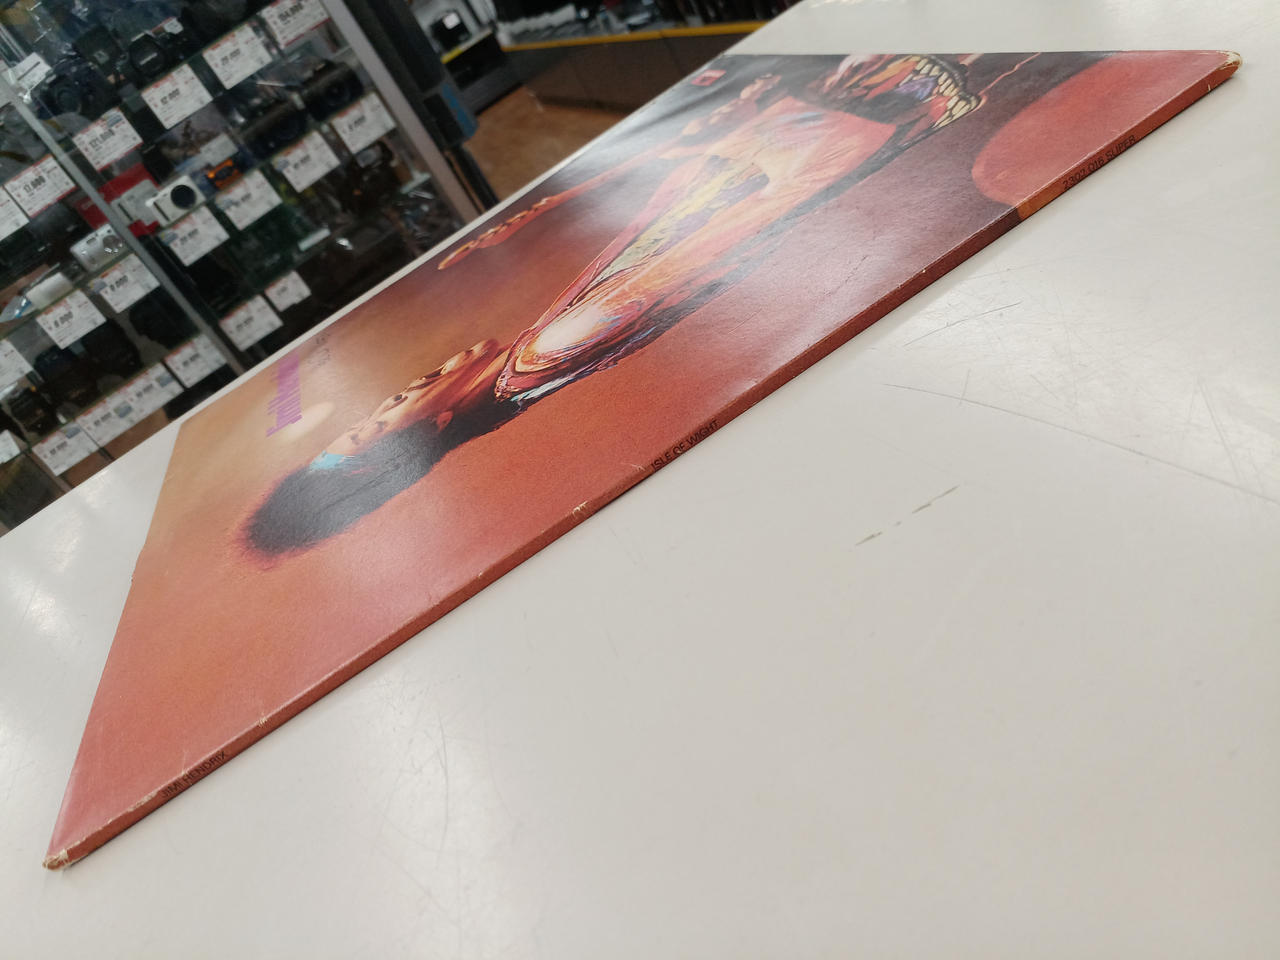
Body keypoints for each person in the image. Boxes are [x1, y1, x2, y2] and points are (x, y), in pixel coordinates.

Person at [246, 54, 986, 555]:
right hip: (841, 124)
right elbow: (735, 226)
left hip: (817, 134)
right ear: (415, 442)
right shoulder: (556, 345)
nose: (397, 391)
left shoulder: (534, 367)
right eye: (381, 422)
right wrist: (755, 127)